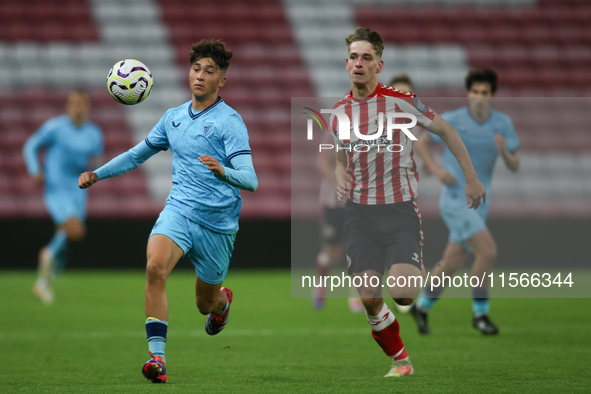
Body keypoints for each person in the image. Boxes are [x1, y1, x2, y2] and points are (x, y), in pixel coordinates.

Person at [79, 39, 258, 384]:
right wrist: (97, 174)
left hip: (218, 224)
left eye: (210, 71)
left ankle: (222, 303)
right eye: (196, 69)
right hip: (179, 210)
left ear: (222, 79)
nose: (200, 76)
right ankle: (157, 359)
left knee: (204, 304)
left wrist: (224, 171)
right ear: (188, 73)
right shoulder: (173, 118)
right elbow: (136, 155)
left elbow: (251, 179)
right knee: (154, 268)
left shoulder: (230, 122)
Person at [331, 27, 486, 377]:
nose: (359, 63)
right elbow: (341, 157)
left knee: (402, 295)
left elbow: (447, 131)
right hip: (359, 213)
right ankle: (402, 361)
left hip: (399, 211)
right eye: (354, 57)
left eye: (366, 58)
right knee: (369, 297)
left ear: (378, 65)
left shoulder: (400, 101)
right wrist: (341, 175)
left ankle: (412, 271)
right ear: (346, 63)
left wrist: (471, 178)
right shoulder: (339, 110)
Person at [411, 69, 520, 335]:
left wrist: (504, 150)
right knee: (487, 251)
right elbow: (421, 142)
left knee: (451, 262)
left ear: (492, 95)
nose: (479, 97)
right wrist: (436, 171)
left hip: (481, 202)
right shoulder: (452, 120)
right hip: (455, 200)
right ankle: (480, 315)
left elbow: (515, 165)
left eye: (484, 93)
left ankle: (421, 306)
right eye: (475, 92)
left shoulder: (502, 123)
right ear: (468, 93)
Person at [23, 90, 103, 304]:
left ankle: (43, 283)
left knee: (72, 238)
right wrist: (34, 169)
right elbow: (30, 146)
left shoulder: (94, 133)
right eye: (74, 103)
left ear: (87, 107)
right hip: (56, 188)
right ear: (68, 106)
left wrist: (94, 168)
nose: (78, 108)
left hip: (78, 189)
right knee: (75, 230)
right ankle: (48, 254)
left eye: (82, 104)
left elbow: (95, 162)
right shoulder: (56, 127)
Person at [313, 127, 363, 313]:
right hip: (333, 201)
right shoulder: (332, 133)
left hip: (360, 202)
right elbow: (322, 162)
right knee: (330, 254)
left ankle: (356, 296)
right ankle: (321, 285)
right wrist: (339, 183)